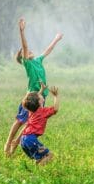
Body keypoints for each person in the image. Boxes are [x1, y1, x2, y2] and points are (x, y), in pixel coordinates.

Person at [4, 18, 63, 156]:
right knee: (20, 121)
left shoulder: (38, 60)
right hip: (32, 97)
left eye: (29, 51)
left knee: (31, 121)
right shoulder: (28, 64)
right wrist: (21, 31)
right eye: (26, 52)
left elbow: (48, 50)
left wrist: (56, 39)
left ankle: (16, 144)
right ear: (23, 58)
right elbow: (24, 46)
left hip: (41, 96)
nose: (29, 51)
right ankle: (8, 143)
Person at [20, 83, 60, 165]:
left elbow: (34, 98)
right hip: (30, 139)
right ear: (39, 101)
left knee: (39, 158)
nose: (41, 96)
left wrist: (42, 90)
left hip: (23, 139)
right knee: (49, 155)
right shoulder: (43, 112)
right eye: (40, 96)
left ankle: (36, 170)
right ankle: (38, 172)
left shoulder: (31, 110)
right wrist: (56, 96)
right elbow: (55, 109)